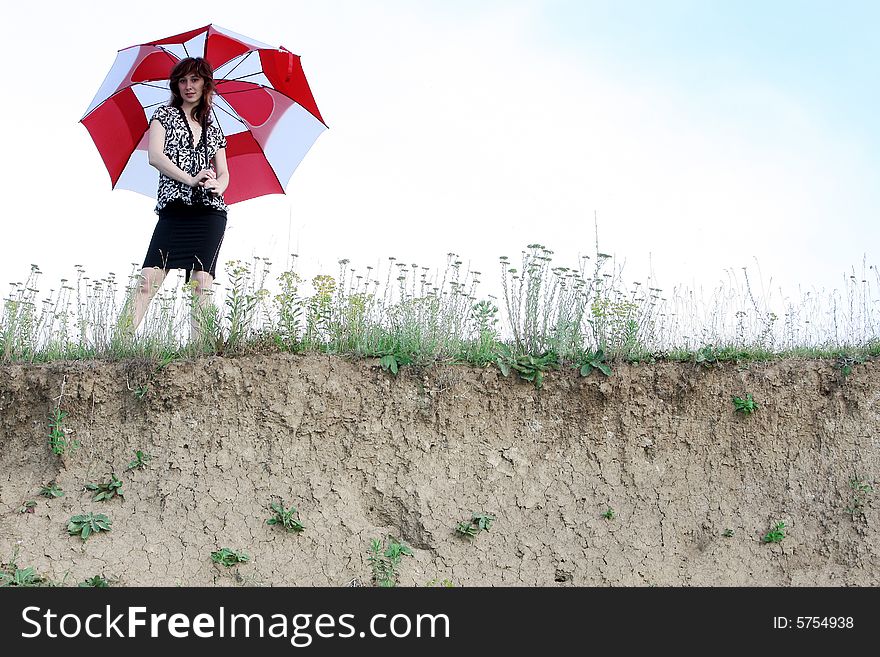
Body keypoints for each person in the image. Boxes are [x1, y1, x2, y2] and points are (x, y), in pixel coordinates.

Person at [123, 56, 230, 342]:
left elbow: (225, 173)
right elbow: (155, 157)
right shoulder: (163, 115)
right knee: (148, 280)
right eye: (182, 80)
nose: (188, 86)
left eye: (194, 79)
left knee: (201, 283)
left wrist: (218, 185)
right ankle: (118, 345)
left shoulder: (213, 127)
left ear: (206, 83)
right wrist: (190, 178)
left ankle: (200, 351)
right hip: (174, 209)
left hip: (210, 213)